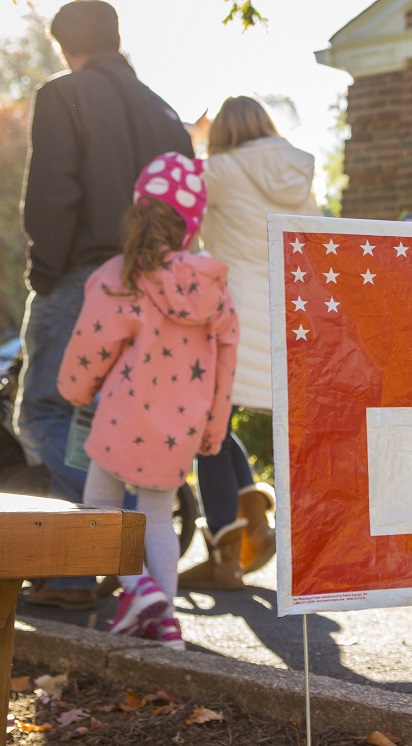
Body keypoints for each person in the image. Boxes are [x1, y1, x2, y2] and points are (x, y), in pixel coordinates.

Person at [16, 0, 194, 610]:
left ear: (66, 45)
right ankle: (76, 576)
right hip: (156, 284)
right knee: (101, 424)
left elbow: (53, 192)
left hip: (84, 276)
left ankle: (106, 550)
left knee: (42, 414)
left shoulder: (64, 93)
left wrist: (44, 273)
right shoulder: (165, 111)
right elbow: (184, 204)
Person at [57, 152, 238, 648]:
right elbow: (226, 363)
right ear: (190, 224)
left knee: (98, 507)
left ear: (138, 212)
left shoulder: (119, 276)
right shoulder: (214, 287)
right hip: (179, 427)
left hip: (120, 418)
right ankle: (166, 627)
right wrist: (214, 429)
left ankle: (139, 591)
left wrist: (74, 390)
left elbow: (90, 345)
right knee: (158, 516)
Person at [179, 96, 320, 590]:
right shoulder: (298, 171)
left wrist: (191, 137)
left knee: (206, 429)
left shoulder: (216, 169)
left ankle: (225, 556)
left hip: (231, 317)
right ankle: (254, 517)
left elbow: (178, 203)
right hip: (291, 315)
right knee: (218, 425)